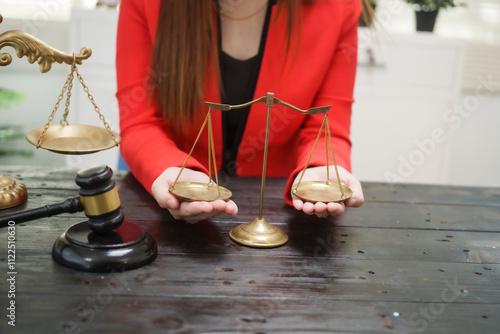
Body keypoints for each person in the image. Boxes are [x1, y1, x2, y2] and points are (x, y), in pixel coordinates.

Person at [116, 0, 365, 223]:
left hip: (283, 216)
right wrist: (169, 170)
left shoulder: (338, 6)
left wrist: (321, 169)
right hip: (167, 219)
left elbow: (326, 127)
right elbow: (140, 123)